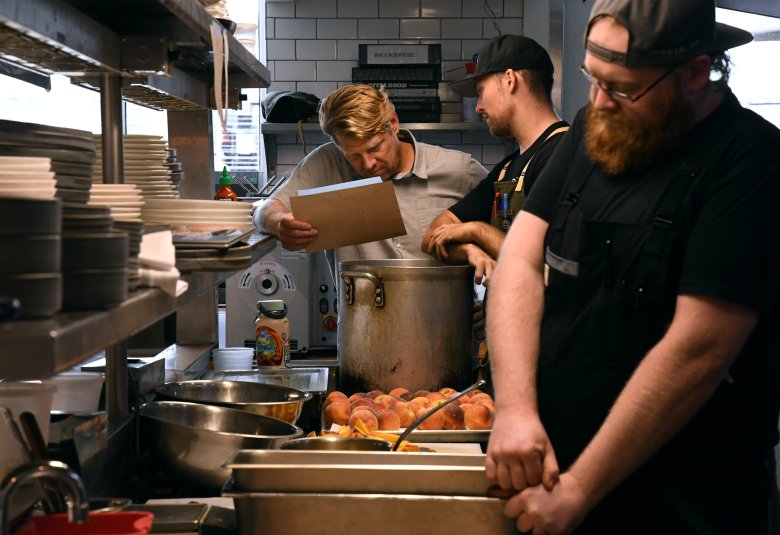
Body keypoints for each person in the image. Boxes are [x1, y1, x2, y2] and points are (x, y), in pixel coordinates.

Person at [485, 0, 780, 533]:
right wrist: (515, 409)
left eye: (621, 88)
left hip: (681, 501)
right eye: (592, 79)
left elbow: (699, 348)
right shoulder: (590, 128)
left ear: (695, 71)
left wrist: (581, 488)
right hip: (556, 474)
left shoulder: (752, 159)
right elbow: (520, 262)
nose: (598, 102)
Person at [253, 84, 487, 267]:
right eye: (354, 155)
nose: (368, 164)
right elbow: (263, 210)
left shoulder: (459, 169)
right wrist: (279, 223)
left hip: (445, 322)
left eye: (375, 148)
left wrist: (489, 298)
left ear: (393, 124)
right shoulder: (328, 162)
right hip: (361, 323)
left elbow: (512, 233)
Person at [421, 34, 569, 287]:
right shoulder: (505, 170)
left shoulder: (564, 156)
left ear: (510, 80)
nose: (478, 107)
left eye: (480, 92)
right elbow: (432, 237)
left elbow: (547, 268)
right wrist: (472, 251)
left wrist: (477, 231)